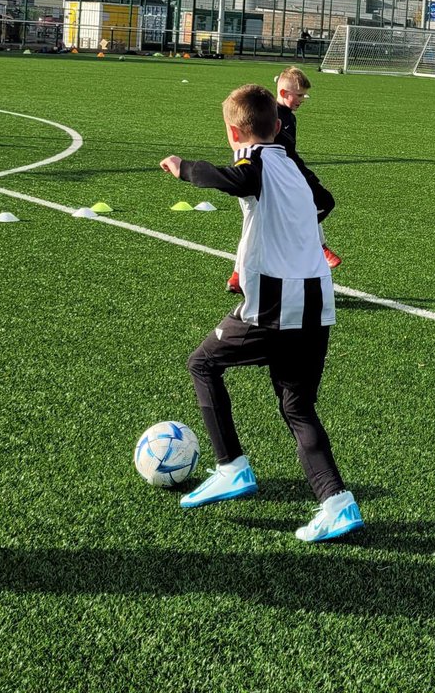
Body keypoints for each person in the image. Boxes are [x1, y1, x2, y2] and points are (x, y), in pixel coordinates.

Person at [159, 83, 363, 541]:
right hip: (317, 300)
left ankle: (231, 467)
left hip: (276, 302)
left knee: (202, 363)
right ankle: (337, 504)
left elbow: (237, 179)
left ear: (235, 132)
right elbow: (324, 201)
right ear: (277, 124)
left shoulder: (253, 162)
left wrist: (183, 168)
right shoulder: (292, 162)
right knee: (297, 407)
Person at [276, 66, 342, 270]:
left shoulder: (289, 116)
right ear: (283, 93)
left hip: (291, 171)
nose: (302, 99)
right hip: (276, 175)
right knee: (258, 226)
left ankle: (313, 245)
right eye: (299, 95)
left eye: (304, 95)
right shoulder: (269, 114)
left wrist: (304, 173)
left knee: (318, 204)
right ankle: (315, 246)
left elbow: (289, 151)